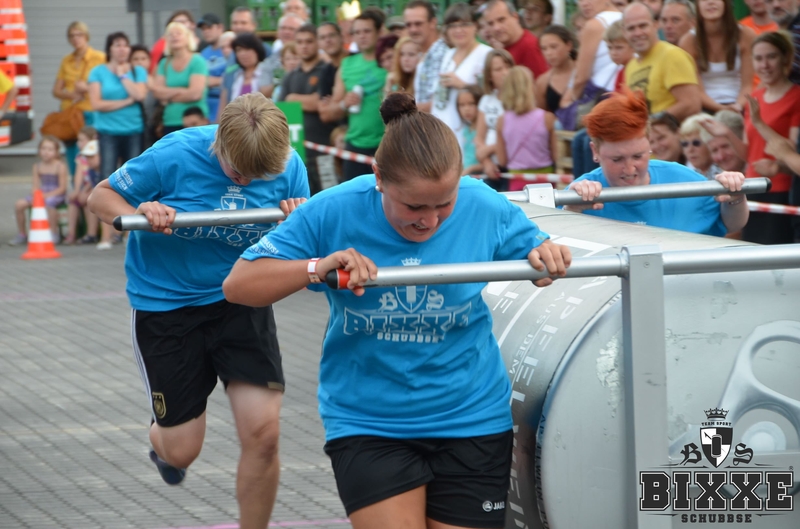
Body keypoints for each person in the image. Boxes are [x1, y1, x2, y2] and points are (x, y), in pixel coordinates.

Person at [222, 92, 571, 529]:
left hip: (471, 416)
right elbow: (239, 285)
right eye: (414, 207)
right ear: (379, 178)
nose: (430, 221)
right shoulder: (334, 209)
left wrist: (546, 256)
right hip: (370, 422)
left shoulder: (482, 203)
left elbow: (539, 253)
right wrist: (316, 266)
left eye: (444, 204)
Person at [86, 93, 310, 529]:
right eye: (237, 173)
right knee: (182, 450)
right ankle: (163, 442)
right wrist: (139, 209)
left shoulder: (289, 164)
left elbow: (304, 240)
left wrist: (298, 221)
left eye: (259, 177)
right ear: (218, 145)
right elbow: (100, 197)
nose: (247, 182)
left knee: (264, 435)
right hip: (168, 305)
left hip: (240, 299)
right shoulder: (175, 153)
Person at [565, 90, 749, 236]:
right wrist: (571, 210)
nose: (629, 169)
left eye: (638, 156)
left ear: (649, 144)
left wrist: (735, 196)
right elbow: (558, 245)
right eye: (617, 159)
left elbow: (732, 224)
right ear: (595, 151)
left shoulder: (683, 179)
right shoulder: (578, 195)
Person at [88, 31, 148, 250]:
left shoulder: (137, 70)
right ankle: (106, 235)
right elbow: (97, 103)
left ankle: (131, 233)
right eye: (117, 45)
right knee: (107, 178)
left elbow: (140, 95)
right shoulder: (98, 72)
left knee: (133, 180)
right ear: (109, 49)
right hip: (108, 132)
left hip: (133, 130)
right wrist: (125, 101)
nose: (122, 49)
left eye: (125, 45)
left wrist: (124, 77)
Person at [742, 32, 800, 244]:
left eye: (771, 57)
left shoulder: (796, 96)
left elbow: (790, 148)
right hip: (751, 184)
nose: (764, 65)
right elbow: (748, 152)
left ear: (785, 58)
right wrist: (725, 135)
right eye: (758, 58)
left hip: (781, 187)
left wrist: (760, 123)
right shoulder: (754, 97)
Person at [327, 11, 387, 180]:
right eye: (357, 32)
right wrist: (344, 104)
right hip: (355, 145)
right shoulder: (347, 64)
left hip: (387, 144)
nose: (362, 36)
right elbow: (331, 111)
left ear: (379, 32)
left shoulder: (390, 60)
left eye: (367, 31)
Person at [279, 23, 338, 195]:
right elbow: (282, 108)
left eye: (309, 41)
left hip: (325, 150)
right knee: (300, 197)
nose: (304, 46)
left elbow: (321, 103)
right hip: (297, 153)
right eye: (300, 42)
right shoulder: (290, 76)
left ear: (318, 42)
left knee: (329, 195)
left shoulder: (328, 71)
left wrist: (293, 98)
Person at [623, 2, 701, 121]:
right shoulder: (630, 66)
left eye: (643, 26)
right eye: (631, 28)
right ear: (624, 32)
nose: (637, 33)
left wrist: (652, 123)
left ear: (655, 25)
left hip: (673, 131)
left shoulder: (672, 55)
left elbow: (691, 104)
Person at [679, 0, 755, 113]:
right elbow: (697, 91)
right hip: (704, 107)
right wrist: (723, 109)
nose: (710, 2)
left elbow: (747, 85)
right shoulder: (688, 41)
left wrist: (738, 106)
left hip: (741, 103)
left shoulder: (746, 35)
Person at [432, 3, 493, 140]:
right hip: (442, 131)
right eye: (452, 26)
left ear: (475, 26)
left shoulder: (486, 54)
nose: (458, 30)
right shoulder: (448, 54)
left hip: (470, 135)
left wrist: (463, 85)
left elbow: (493, 96)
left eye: (464, 24)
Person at [52, 21, 106, 175]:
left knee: (89, 153)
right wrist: (71, 94)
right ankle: (75, 184)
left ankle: (90, 184)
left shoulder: (99, 57)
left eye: (79, 35)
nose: (76, 39)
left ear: (86, 36)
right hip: (71, 114)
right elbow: (56, 90)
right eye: (72, 36)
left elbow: (108, 87)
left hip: (90, 112)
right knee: (72, 152)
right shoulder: (66, 60)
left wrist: (87, 88)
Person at [496, 66, 556, 191]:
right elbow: (556, 156)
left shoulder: (502, 121)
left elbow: (502, 161)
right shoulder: (547, 118)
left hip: (516, 181)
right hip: (545, 181)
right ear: (531, 87)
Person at [558, 0, 621, 118]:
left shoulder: (594, 25)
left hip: (601, 99)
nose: (584, 4)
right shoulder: (625, 18)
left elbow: (580, 78)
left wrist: (570, 104)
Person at [151, 22, 209, 137]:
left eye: (178, 33)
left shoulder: (198, 61)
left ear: (187, 37)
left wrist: (169, 98)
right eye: (171, 34)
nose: (174, 36)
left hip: (194, 121)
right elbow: (157, 92)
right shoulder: (164, 63)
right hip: (170, 121)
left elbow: (195, 94)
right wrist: (182, 90)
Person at [10, 136, 69, 246]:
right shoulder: (37, 166)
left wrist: (45, 196)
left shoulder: (60, 166)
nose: (46, 152)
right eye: (43, 148)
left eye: (50, 149)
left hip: (55, 194)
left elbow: (62, 188)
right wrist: (35, 195)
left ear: (56, 152)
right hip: (41, 193)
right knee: (19, 204)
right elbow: (35, 185)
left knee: (49, 204)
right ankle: (22, 234)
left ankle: (53, 233)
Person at [405, 0, 450, 113]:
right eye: (409, 25)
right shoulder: (423, 54)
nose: (413, 29)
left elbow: (439, 104)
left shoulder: (441, 54)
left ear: (433, 23)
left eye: (418, 24)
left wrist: (404, 110)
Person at [476, 49, 513, 184]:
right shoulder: (486, 100)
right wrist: (486, 162)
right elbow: (479, 137)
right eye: (498, 69)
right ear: (489, 76)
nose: (505, 72)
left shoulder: (519, 101)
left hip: (511, 166)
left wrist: (490, 148)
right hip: (491, 166)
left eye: (508, 67)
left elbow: (515, 136)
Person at [483, 0, 549, 77]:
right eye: (490, 24)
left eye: (501, 20)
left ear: (515, 17)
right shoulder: (505, 48)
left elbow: (542, 81)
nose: (496, 28)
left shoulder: (529, 46)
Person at [218, 33, 270, 118]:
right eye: (239, 50)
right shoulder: (231, 76)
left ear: (257, 50)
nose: (243, 53)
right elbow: (222, 108)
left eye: (247, 49)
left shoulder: (268, 73)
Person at [65, 138, 102, 245]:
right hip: (92, 192)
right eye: (87, 157)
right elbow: (91, 184)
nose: (89, 160)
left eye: (92, 157)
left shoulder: (105, 170)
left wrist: (87, 194)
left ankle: (92, 233)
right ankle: (72, 233)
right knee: (75, 201)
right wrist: (81, 192)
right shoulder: (91, 171)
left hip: (101, 196)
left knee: (89, 201)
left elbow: (99, 186)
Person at [535, 25, 578, 117]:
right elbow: (541, 117)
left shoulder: (583, 70)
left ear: (568, 45)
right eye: (544, 49)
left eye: (553, 47)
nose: (548, 53)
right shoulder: (543, 82)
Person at [149, 10, 199, 75]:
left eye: (182, 22)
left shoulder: (200, 55)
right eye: (175, 23)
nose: (178, 26)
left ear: (193, 25)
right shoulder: (165, 55)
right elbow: (155, 74)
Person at [198, 13, 227, 123]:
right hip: (206, 107)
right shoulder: (203, 53)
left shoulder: (229, 50)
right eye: (203, 29)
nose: (206, 31)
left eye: (209, 27)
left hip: (225, 103)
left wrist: (212, 81)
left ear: (220, 27)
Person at [680, 113, 723, 179]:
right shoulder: (690, 175)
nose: (690, 149)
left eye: (696, 143)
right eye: (685, 144)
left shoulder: (723, 174)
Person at [456, 85, 485, 174]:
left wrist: (471, 169)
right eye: (462, 105)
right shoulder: (465, 130)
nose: (466, 109)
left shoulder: (484, 132)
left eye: (471, 104)